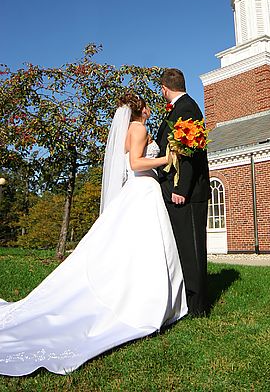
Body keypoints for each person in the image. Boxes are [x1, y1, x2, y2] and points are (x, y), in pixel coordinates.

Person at [0, 92, 187, 377]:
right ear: (140, 110)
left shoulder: (129, 130)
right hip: (143, 190)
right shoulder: (139, 128)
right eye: (147, 106)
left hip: (141, 191)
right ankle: (146, 301)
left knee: (136, 250)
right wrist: (166, 158)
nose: (151, 110)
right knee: (146, 249)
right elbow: (136, 163)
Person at [156, 68, 211, 317]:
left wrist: (181, 188)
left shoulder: (186, 108)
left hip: (188, 192)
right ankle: (188, 301)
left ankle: (198, 307)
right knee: (183, 247)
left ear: (165, 88)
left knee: (192, 249)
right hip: (177, 189)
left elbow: (188, 152)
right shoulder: (181, 108)